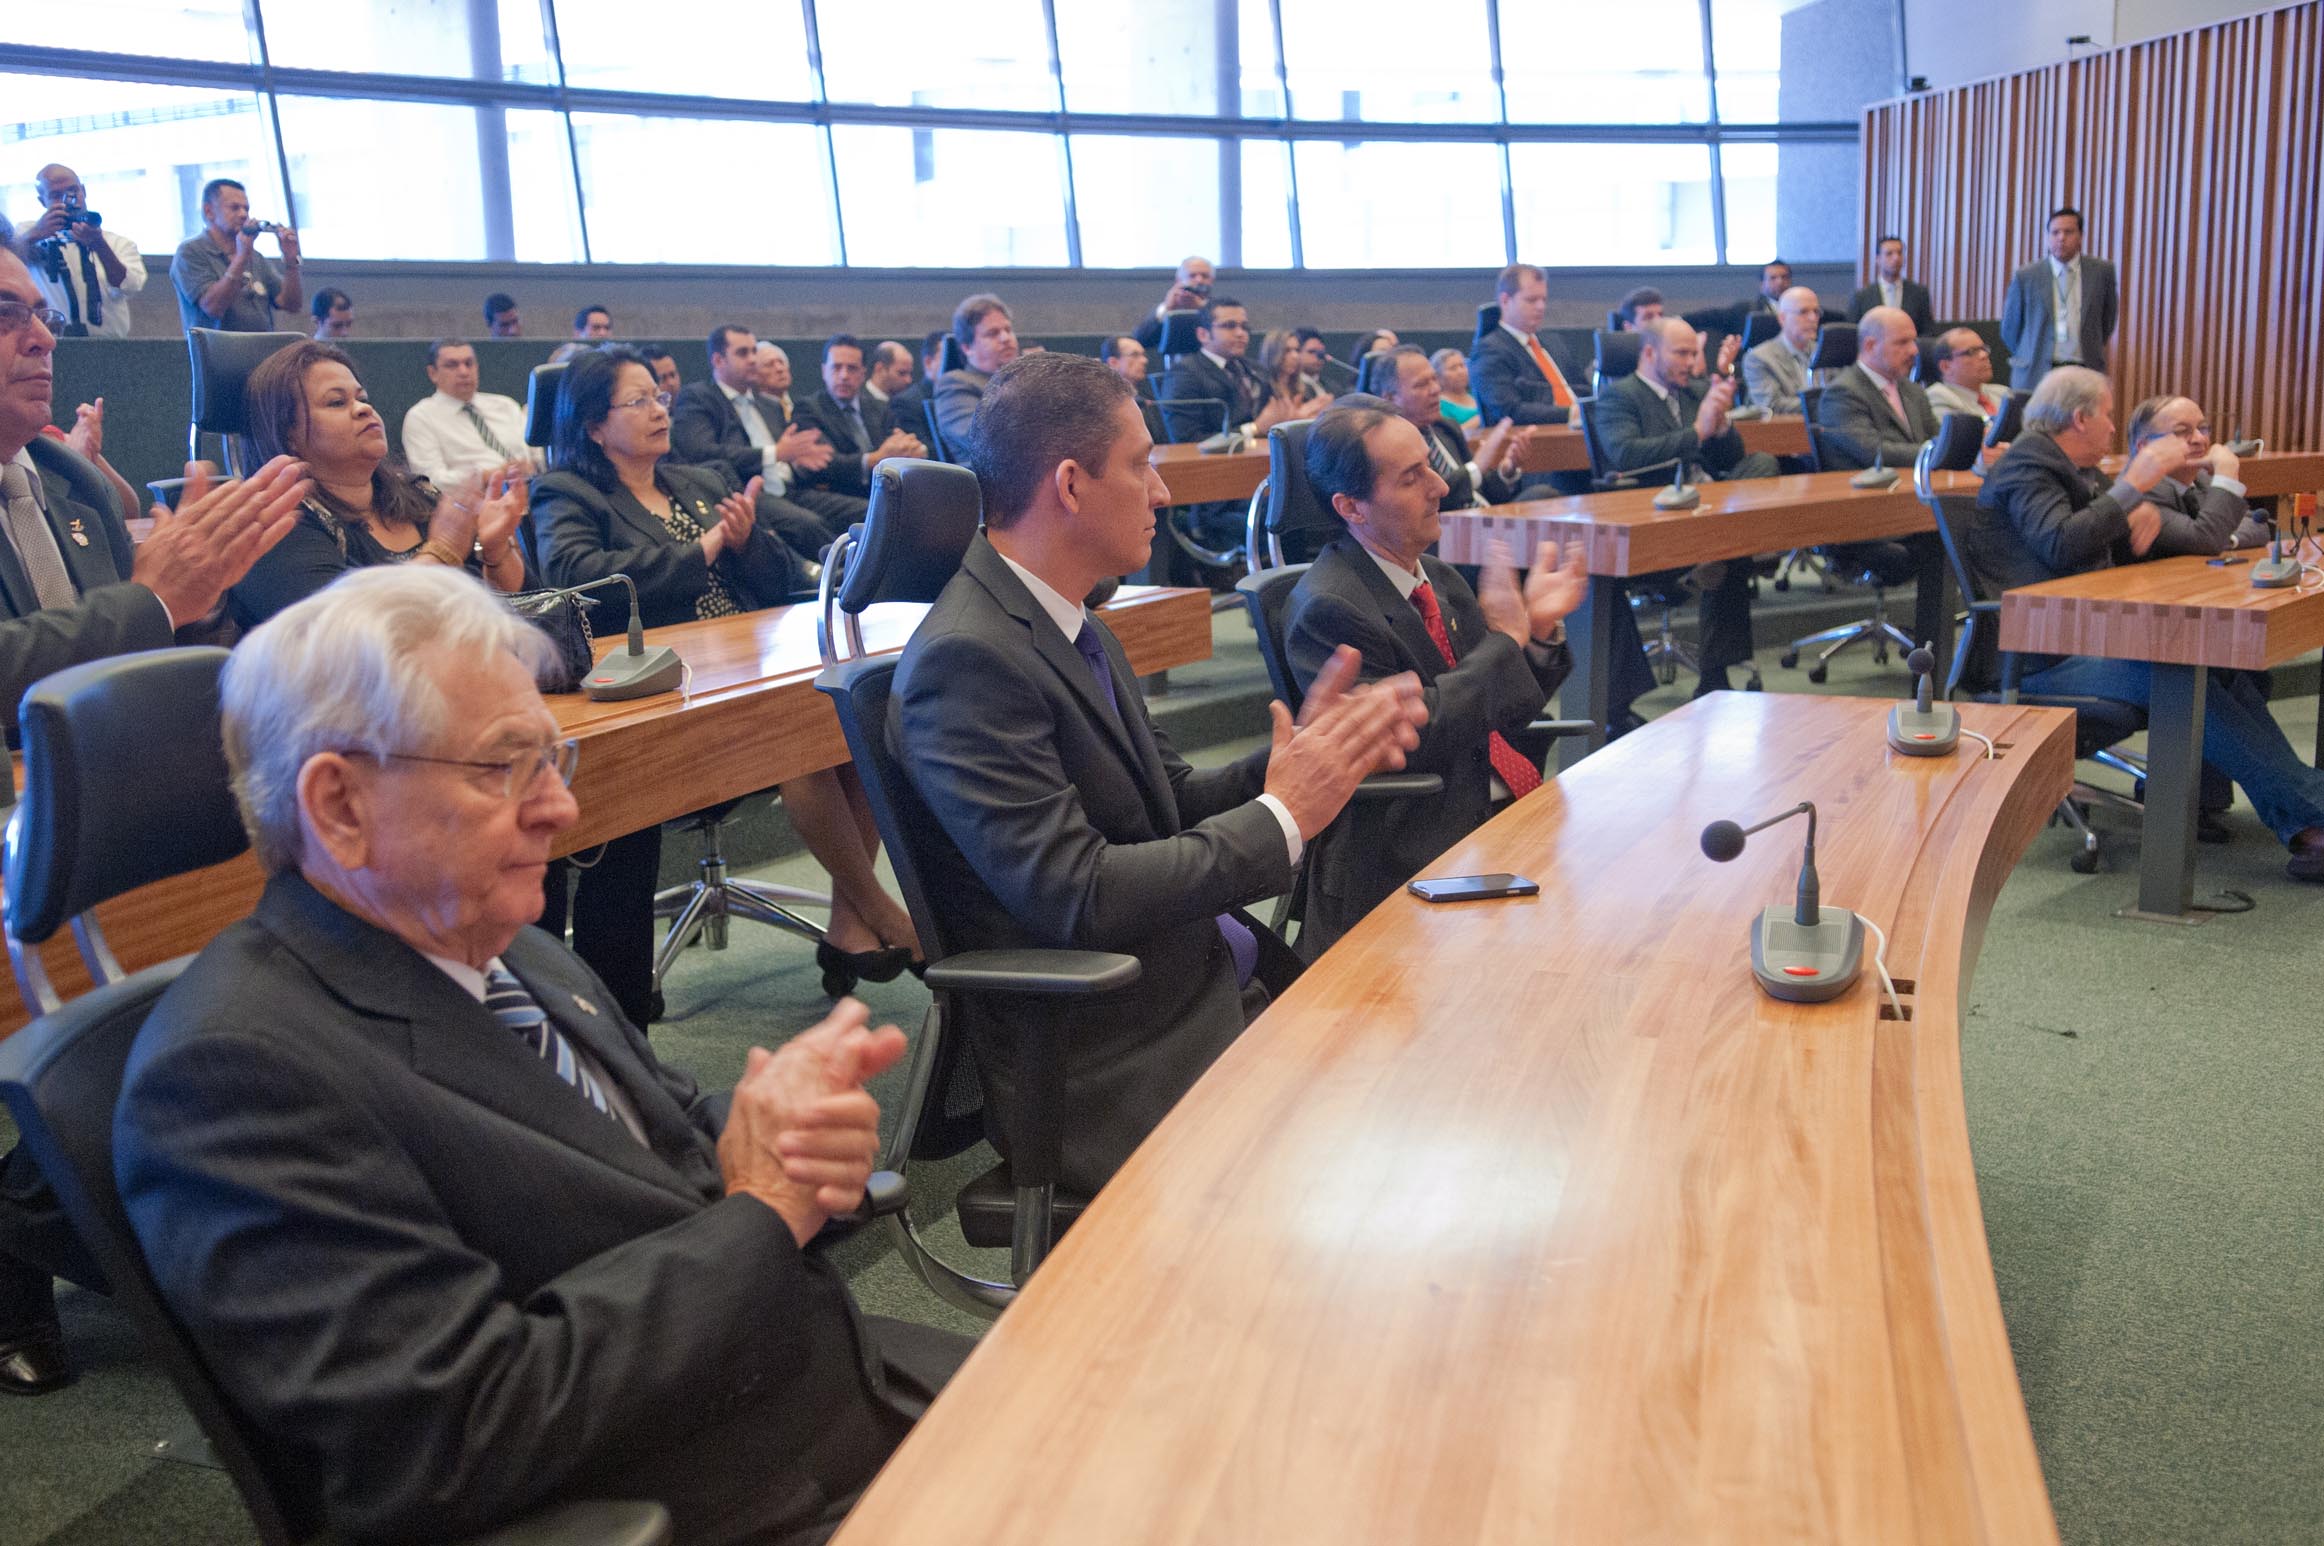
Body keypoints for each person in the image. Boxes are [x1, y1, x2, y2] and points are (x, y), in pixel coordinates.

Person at [114, 563, 967, 1544]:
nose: (560, 808)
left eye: (552, 758)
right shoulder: (233, 1078)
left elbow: (686, 1166)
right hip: (709, 1502)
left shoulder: (507, 942)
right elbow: (454, 1435)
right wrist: (766, 1208)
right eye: (503, 767)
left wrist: (795, 1145)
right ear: (340, 806)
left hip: (816, 1391)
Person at [891, 351, 1428, 1195]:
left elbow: (1168, 800)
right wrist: (1285, 816)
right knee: (1393, 1161)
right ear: (1071, 486)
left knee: (1426, 1068)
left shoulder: (1071, 620)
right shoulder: (965, 660)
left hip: (1197, 986)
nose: (1164, 492)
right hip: (1116, 1052)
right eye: (1141, 465)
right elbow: (1077, 893)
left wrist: (1297, 759)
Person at [0, 233, 309, 1397]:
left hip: (99, 797)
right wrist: (152, 599)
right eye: (5, 315)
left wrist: (203, 606)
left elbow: (147, 635)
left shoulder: (67, 477)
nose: (40, 334)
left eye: (39, 311)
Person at [533, 347, 922, 989]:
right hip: (658, 690)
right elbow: (578, 579)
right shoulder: (566, 493)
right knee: (802, 737)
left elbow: (775, 578)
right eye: (639, 401)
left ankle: (849, 924)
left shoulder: (699, 480)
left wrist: (744, 542)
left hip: (741, 664)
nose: (659, 411)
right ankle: (876, 910)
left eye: (660, 397)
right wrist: (706, 547)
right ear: (594, 425)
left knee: (850, 722)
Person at [1973, 367, 2324, 880]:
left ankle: (2294, 817)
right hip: (2038, 657)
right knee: (2177, 670)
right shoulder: (2029, 463)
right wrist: (2130, 490)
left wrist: (2130, 519)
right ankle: (2312, 817)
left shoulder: (2072, 469)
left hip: (2086, 637)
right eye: (2108, 415)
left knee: (2224, 667)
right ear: (2080, 418)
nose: (2114, 427)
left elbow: (2090, 545)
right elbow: (2060, 543)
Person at [1282, 398, 1583, 954]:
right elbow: (1415, 737)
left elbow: (1495, 705)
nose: (1441, 487)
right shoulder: (1328, 608)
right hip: (1410, 843)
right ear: (1352, 507)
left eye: (1431, 466)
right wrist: (1507, 642)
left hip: (1488, 807)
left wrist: (1537, 634)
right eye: (1412, 477)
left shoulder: (1438, 578)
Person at [227, 341, 530, 632]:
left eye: (363, 398)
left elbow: (515, 606)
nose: (362, 409)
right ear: (288, 434)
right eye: (337, 402)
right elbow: (348, 632)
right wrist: (442, 552)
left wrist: (495, 550)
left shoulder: (419, 495)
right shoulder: (276, 526)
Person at [1592, 317, 1771, 695]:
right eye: (1682, 354)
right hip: (1656, 510)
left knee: (1762, 465)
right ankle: (1713, 556)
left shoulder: (1695, 392)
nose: (1692, 363)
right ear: (1649, 353)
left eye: (1695, 354)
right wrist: (1697, 432)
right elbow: (1625, 455)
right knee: (1731, 546)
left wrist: (1721, 429)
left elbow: (1729, 459)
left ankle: (1714, 672)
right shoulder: (1619, 396)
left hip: (1706, 507)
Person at [668, 325, 852, 558]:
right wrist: (775, 453)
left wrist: (797, 459)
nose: (753, 359)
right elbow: (700, 451)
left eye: (754, 351)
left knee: (861, 509)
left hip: (790, 489)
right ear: (718, 360)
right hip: (746, 492)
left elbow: (788, 452)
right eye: (743, 353)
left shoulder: (767, 404)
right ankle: (846, 574)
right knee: (809, 524)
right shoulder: (700, 397)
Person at [1810, 306, 1941, 610]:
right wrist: (1936, 452)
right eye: (1902, 342)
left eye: (1914, 341)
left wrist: (1947, 448)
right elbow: (1874, 452)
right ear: (1870, 345)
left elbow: (1936, 438)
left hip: (1913, 505)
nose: (1914, 351)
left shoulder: (1912, 391)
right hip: (1866, 518)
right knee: (1943, 543)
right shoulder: (1843, 393)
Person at [2121, 395, 2266, 557]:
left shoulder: (2201, 479)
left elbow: (2258, 524)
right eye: (2181, 431)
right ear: (2145, 447)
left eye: (2203, 428)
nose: (2199, 439)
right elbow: (2206, 540)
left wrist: (2227, 539)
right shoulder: (2140, 491)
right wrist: (2226, 474)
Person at [1378, 347, 1521, 510]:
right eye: (1421, 385)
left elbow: (1484, 490)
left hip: (1483, 516)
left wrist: (1506, 471)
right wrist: (1476, 467)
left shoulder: (1445, 427)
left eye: (1434, 379)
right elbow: (1429, 498)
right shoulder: (1389, 447)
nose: (1435, 389)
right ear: (1390, 398)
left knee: (1540, 493)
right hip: (1445, 524)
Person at [22, 163, 145, 339]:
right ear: (42, 201)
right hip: (50, 343)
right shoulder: (27, 235)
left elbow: (130, 286)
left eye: (73, 191)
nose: (67, 200)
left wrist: (98, 244)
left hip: (111, 346)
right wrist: (36, 234)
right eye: (56, 195)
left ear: (84, 191)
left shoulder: (117, 243)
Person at [2000, 207, 2118, 389]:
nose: (2061, 238)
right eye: (2055, 232)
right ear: (2048, 237)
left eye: (2068, 232)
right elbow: (2010, 328)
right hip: (2037, 370)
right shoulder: (2026, 275)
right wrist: (2028, 353)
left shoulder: (2102, 272)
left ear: (2080, 236)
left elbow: (2107, 321)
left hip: (2084, 367)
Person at [1157, 295, 1301, 443]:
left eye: (1244, 327)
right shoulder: (1184, 373)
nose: (1241, 333)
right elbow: (1186, 439)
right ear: (1203, 334)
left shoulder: (1256, 370)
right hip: (1217, 458)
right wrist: (1254, 429)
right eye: (1229, 326)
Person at [170, 177, 303, 332]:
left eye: (246, 209)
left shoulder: (256, 257)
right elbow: (213, 307)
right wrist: (241, 259)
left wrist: (291, 262)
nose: (243, 214)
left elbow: (291, 305)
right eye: (234, 208)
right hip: (217, 347)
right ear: (209, 211)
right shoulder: (190, 252)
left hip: (262, 346)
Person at [400, 338, 537, 487]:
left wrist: (533, 466)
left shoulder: (505, 405)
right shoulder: (421, 417)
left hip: (532, 489)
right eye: (452, 365)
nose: (464, 372)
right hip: (475, 497)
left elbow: (537, 453)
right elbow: (430, 481)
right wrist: (488, 476)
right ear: (433, 373)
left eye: (469, 364)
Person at [795, 333, 925, 488]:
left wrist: (911, 449)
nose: (844, 376)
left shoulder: (880, 408)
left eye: (852, 368)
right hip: (840, 491)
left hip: (884, 488)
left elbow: (899, 446)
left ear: (863, 374)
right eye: (836, 367)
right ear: (824, 371)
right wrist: (875, 459)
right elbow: (827, 463)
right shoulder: (808, 409)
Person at [1468, 262, 1581, 426]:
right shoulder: (1489, 350)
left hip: (1582, 430)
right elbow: (1509, 411)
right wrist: (1572, 413)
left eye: (1543, 299)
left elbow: (1583, 388)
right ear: (1505, 301)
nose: (1541, 307)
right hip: (1541, 436)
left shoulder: (1554, 342)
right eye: (1531, 300)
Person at [932, 292, 1019, 451]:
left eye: (1008, 329)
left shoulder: (1025, 378)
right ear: (967, 347)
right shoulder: (955, 384)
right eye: (993, 333)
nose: (1006, 338)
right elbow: (982, 440)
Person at [1741, 286, 1824, 414]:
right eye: (1803, 312)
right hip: (1785, 426)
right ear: (1782, 318)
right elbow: (1771, 405)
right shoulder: (1758, 358)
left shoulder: (1825, 351)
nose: (1813, 318)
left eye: (1816, 312)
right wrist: (1828, 404)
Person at [1847, 235, 1936, 335]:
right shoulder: (1862, 296)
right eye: (1889, 254)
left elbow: (1928, 332)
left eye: (1900, 253)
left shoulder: (1919, 294)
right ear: (1878, 259)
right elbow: (1853, 333)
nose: (1896, 258)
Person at [1925, 328, 2011, 423]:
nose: (1984, 355)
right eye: (1972, 352)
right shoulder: (1938, 397)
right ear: (1946, 367)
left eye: (1983, 349)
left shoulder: (2003, 393)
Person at [1131, 254, 1215, 350]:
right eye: (1192, 276)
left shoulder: (1217, 307)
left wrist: (1202, 309)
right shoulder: (1164, 309)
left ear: (1212, 280)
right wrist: (1166, 308)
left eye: (1205, 276)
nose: (1199, 280)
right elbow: (1139, 340)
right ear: (1179, 280)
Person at [1256, 327, 1333, 422]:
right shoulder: (1262, 387)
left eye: (1297, 350)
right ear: (1274, 353)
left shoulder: (1305, 388)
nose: (1295, 356)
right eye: (1287, 350)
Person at [1431, 348, 1481, 427]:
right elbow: (1450, 433)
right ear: (1438, 377)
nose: (1460, 371)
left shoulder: (1476, 393)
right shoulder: (1438, 405)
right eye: (1453, 368)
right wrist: (1481, 417)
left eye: (1462, 365)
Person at [547, 303, 612, 364]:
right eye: (596, 328)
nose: (603, 333)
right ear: (578, 332)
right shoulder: (570, 350)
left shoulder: (613, 356)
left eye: (607, 328)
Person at [1101, 333, 1152, 399]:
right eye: (1135, 355)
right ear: (1113, 363)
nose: (1144, 360)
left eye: (1143, 355)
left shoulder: (1148, 399)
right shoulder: (1102, 400)